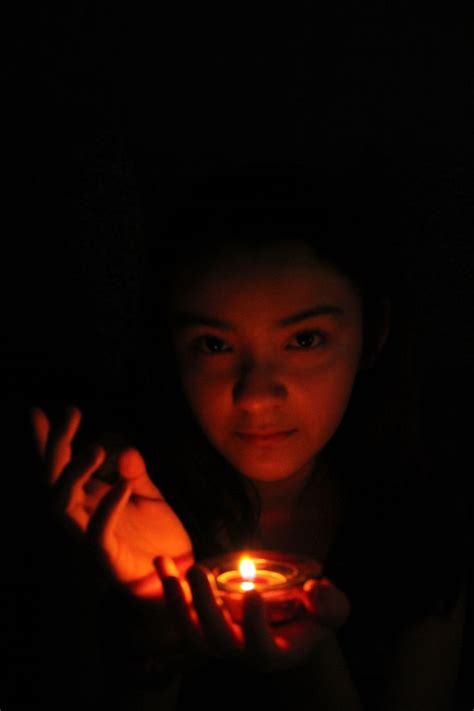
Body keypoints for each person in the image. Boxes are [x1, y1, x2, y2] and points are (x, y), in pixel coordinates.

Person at [31, 161, 470, 710]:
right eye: (214, 345)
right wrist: (153, 627)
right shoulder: (112, 516)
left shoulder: (426, 529)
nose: (256, 396)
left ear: (373, 334)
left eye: (306, 340)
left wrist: (311, 660)